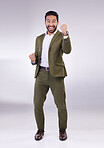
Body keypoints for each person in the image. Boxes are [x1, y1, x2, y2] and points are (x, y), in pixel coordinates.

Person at [29, 11, 72, 141]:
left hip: (56, 75)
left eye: (54, 21)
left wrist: (65, 34)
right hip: (41, 74)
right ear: (45, 22)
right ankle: (40, 130)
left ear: (57, 23)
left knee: (61, 105)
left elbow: (67, 50)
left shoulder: (60, 36)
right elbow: (36, 57)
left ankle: (62, 130)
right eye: (48, 21)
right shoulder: (39, 38)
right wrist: (32, 60)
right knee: (37, 104)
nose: (51, 24)